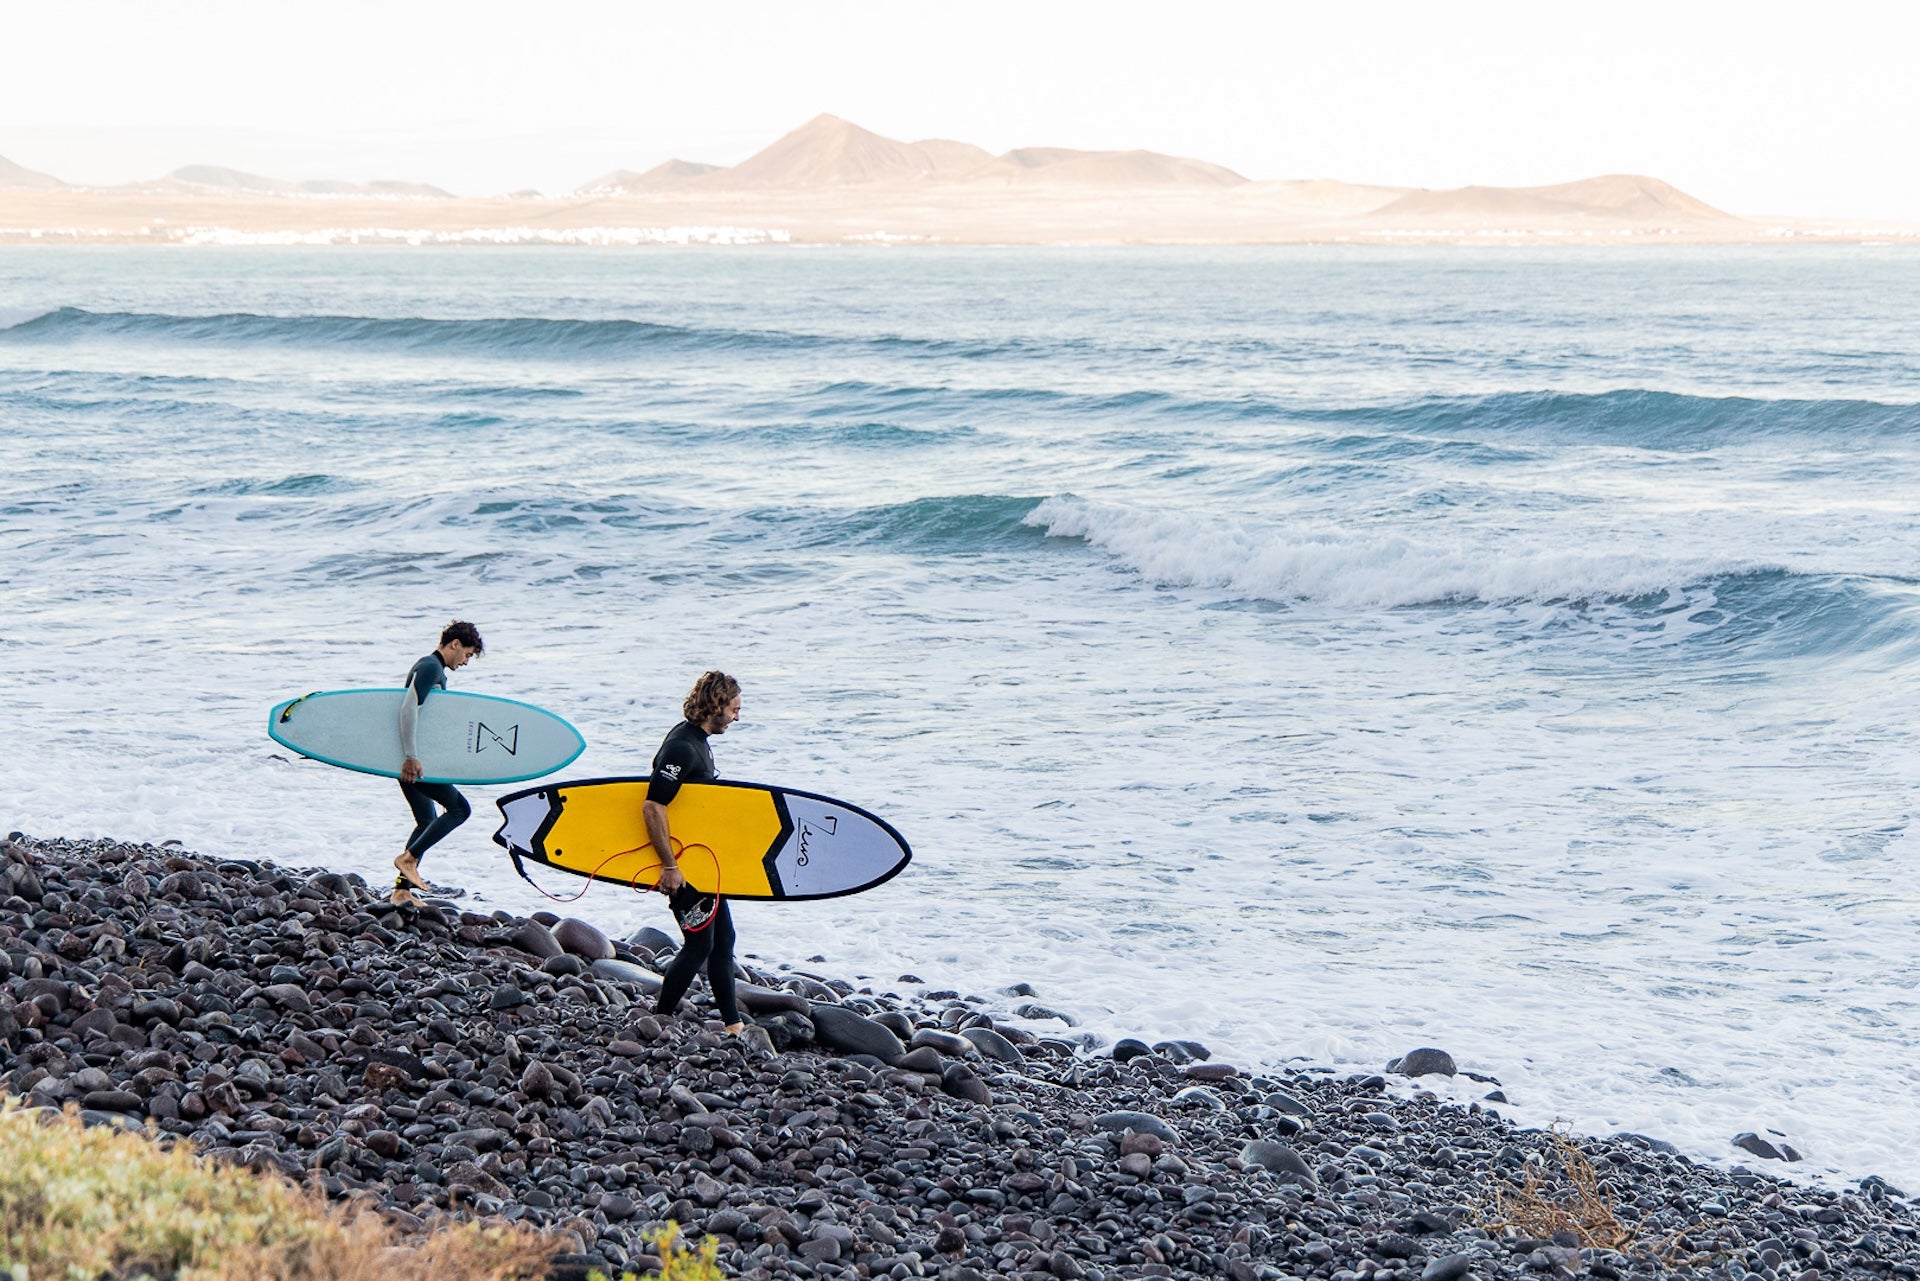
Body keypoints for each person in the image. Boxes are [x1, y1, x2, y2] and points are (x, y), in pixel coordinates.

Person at [645, 670, 745, 1033]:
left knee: (724, 941)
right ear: (716, 705)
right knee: (700, 943)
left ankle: (733, 1024)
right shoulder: (682, 747)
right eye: (734, 709)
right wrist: (669, 867)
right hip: (684, 866)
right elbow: (653, 806)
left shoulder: (698, 740)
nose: (737, 717)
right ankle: (660, 1018)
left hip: (705, 862)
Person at [391, 620, 484, 907]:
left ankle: (401, 891)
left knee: (427, 821)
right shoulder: (431, 667)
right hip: (414, 761)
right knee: (459, 809)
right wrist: (411, 757)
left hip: (411, 758)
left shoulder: (431, 668)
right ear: (454, 644)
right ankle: (408, 860)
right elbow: (408, 708)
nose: (467, 661)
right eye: (467, 654)